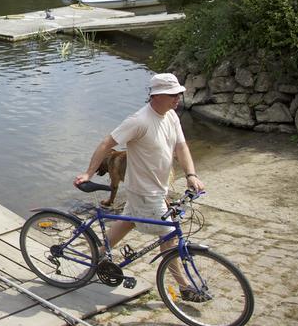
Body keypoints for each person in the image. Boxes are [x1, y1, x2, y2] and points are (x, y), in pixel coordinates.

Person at [73, 73, 206, 299]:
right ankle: (184, 286)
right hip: (145, 192)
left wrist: (191, 175)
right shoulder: (140, 121)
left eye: (179, 94)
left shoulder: (172, 116)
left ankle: (94, 261)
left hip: (157, 189)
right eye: (173, 95)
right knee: (169, 236)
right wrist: (88, 172)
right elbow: (107, 142)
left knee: (127, 223)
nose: (178, 99)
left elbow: (181, 147)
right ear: (157, 96)